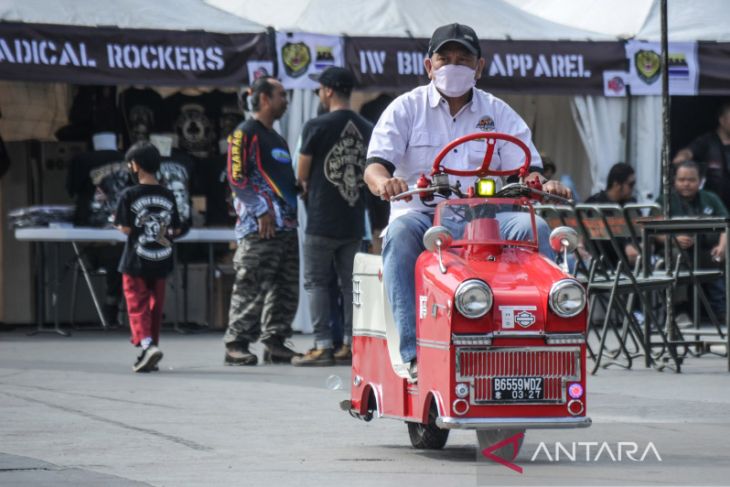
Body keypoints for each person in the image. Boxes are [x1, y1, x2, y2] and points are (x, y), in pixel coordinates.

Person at [363, 23, 571, 376]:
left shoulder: (499, 112)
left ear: (479, 67)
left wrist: (544, 184)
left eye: (464, 59)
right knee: (398, 236)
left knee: (532, 226)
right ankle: (414, 354)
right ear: (429, 65)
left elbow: (528, 171)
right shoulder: (406, 108)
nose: (454, 65)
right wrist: (386, 183)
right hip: (421, 214)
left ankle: (543, 338)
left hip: (485, 217)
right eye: (445, 58)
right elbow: (374, 168)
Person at [292, 67, 373, 366]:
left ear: (327, 91)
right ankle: (352, 345)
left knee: (316, 283)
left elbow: (302, 175)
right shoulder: (367, 127)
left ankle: (323, 345)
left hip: (321, 218)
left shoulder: (315, 125)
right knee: (351, 284)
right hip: (353, 219)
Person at [223, 76, 301, 366]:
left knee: (285, 288)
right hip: (259, 229)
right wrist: (260, 210)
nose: (286, 100)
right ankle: (235, 344)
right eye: (281, 94)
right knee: (251, 284)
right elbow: (236, 178)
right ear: (264, 99)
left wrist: (299, 187)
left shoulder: (277, 137)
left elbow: (281, 180)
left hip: (286, 228)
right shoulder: (244, 133)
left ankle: (275, 342)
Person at [114, 142, 181, 373]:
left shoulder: (129, 194)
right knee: (155, 306)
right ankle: (149, 349)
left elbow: (125, 229)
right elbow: (177, 229)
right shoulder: (169, 194)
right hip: (162, 258)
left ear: (137, 166)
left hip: (136, 260)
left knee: (137, 303)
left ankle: (146, 344)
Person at [664, 161, 728, 321]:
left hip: (706, 252)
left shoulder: (710, 198)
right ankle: (679, 311)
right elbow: (650, 230)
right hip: (676, 251)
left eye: (691, 180)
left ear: (700, 181)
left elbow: (726, 224)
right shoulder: (666, 199)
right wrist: (673, 239)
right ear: (674, 181)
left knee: (720, 256)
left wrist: (722, 246)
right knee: (677, 256)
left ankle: (721, 310)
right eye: (682, 179)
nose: (686, 184)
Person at [672, 101, 730, 211]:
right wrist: (681, 158)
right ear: (722, 120)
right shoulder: (707, 141)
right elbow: (688, 152)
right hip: (713, 202)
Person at [585, 162, 639, 267]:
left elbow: (638, 228)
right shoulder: (595, 204)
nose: (632, 189)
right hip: (604, 262)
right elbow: (600, 234)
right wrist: (625, 246)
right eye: (630, 184)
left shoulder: (631, 204)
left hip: (630, 262)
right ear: (616, 185)